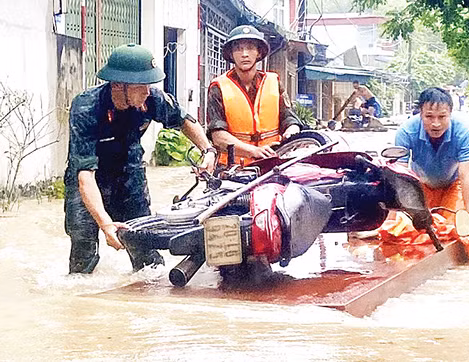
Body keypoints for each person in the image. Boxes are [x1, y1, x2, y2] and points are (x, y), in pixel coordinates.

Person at [64, 43, 217, 274]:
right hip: (88, 178)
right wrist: (105, 224)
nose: (147, 91)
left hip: (129, 174)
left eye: (149, 84)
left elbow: (183, 119)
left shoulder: (151, 99)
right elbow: (84, 176)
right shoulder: (86, 107)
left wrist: (208, 150)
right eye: (141, 85)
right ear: (118, 85)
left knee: (146, 255)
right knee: (82, 254)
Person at [207, 25, 302, 166]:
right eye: (238, 49)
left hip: (272, 162)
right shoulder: (218, 87)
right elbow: (218, 136)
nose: (244, 54)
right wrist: (252, 151)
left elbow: (289, 118)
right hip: (232, 167)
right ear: (231, 54)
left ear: (259, 53)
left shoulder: (274, 82)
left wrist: (292, 131)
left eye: (250, 48)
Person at [394, 87, 469, 238]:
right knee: (408, 231)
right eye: (429, 116)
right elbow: (399, 175)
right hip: (420, 186)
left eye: (442, 117)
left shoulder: (463, 132)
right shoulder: (406, 131)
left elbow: (467, 176)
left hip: (452, 185)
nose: (436, 123)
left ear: (450, 114)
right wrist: (392, 216)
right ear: (420, 114)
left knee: (458, 230)